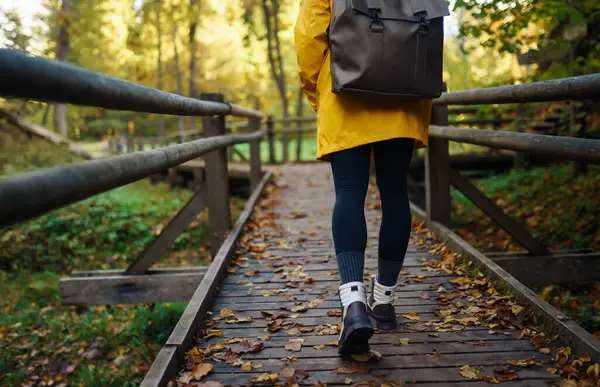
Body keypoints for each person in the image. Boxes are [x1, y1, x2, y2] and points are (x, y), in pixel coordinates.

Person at [294, 0, 432, 356]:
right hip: (404, 92)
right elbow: (428, 31)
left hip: (346, 87)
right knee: (396, 195)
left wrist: (318, 90)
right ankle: (384, 302)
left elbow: (309, 38)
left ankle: (354, 305)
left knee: (349, 193)